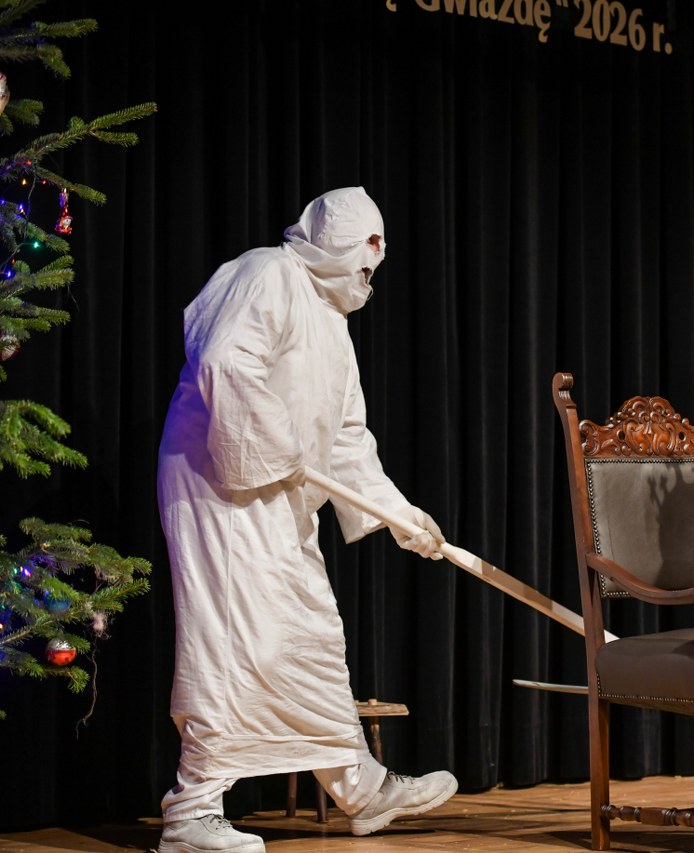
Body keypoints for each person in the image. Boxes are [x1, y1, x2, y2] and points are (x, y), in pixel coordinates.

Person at [156, 187, 457, 853]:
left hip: (278, 495)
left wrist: (401, 515)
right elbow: (224, 361)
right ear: (335, 246)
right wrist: (276, 443)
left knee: (311, 631)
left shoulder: (333, 327)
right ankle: (192, 811)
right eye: (363, 255)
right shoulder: (267, 273)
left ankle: (361, 787)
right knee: (232, 640)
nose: (370, 272)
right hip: (218, 484)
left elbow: (347, 440)